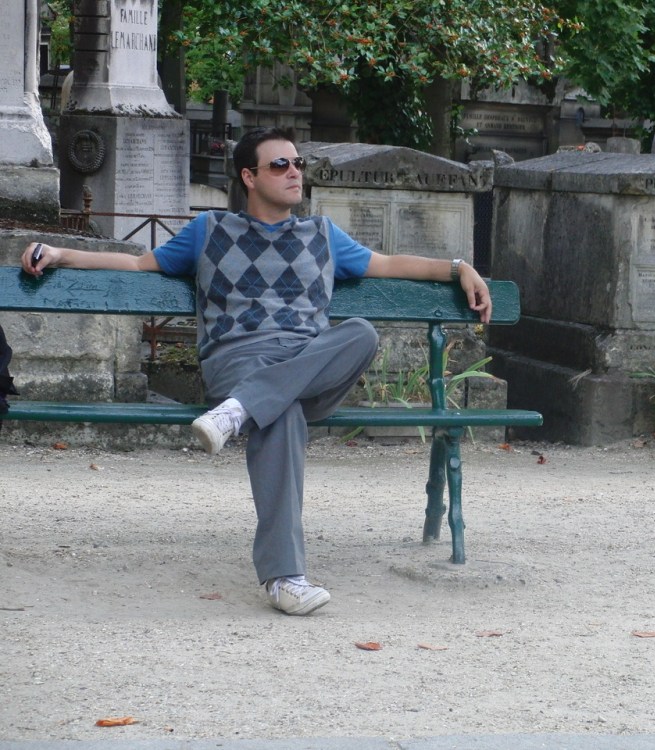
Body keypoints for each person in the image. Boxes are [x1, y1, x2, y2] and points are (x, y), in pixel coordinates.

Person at [21, 127, 492, 616]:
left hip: (307, 366)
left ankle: (240, 410)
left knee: (360, 333)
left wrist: (459, 267)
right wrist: (60, 253)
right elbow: (139, 265)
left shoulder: (322, 235)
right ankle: (286, 577)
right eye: (280, 165)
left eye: (297, 164)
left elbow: (391, 264)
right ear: (249, 177)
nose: (294, 173)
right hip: (239, 360)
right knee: (281, 412)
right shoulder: (210, 230)